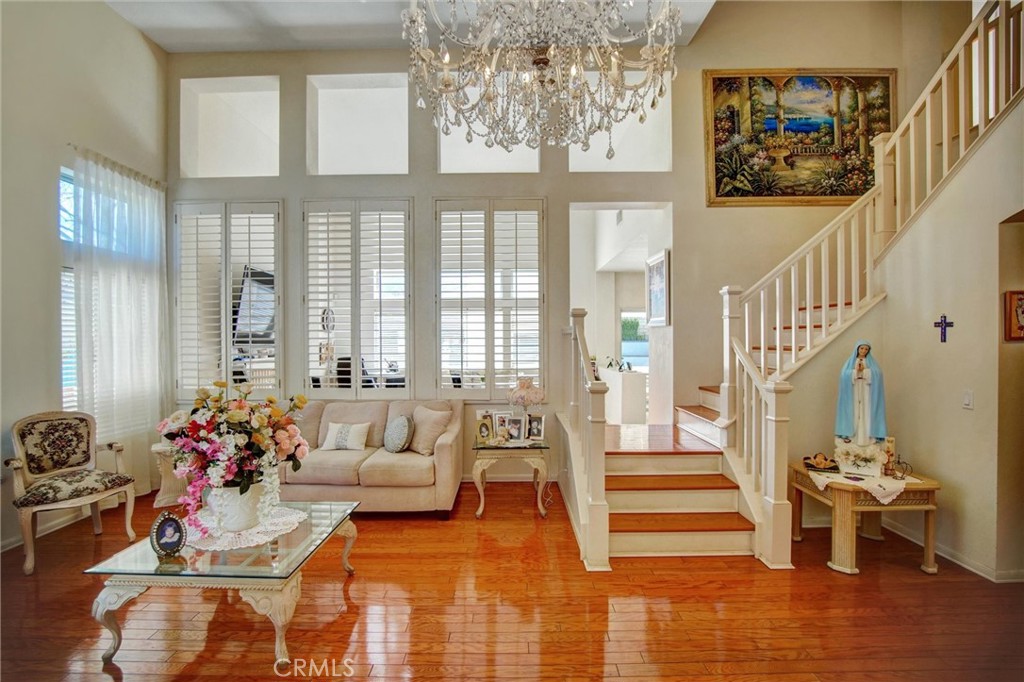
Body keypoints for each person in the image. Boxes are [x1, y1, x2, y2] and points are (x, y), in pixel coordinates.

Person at [835, 340, 887, 446]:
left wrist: (866, 371)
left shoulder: (871, 362)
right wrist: (855, 372)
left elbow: (878, 374)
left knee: (866, 411)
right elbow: (844, 375)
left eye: (866, 349)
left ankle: (868, 437)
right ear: (857, 349)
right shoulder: (850, 361)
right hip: (853, 391)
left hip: (866, 390)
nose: (863, 351)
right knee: (854, 411)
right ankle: (851, 437)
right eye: (862, 348)